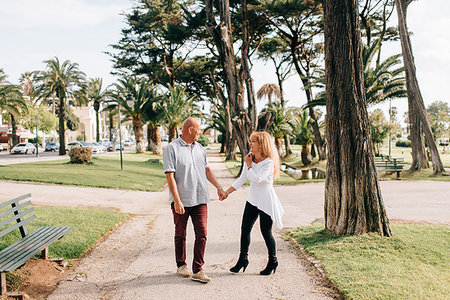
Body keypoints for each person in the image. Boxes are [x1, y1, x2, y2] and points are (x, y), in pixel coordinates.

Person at [163, 117, 226, 283]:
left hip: (200, 198)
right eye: (198, 129)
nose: (200, 132)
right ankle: (181, 265)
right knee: (180, 234)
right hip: (181, 200)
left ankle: (198, 269)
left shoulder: (200, 148)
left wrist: (219, 187)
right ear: (190, 129)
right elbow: (170, 176)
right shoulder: (172, 148)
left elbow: (207, 170)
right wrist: (176, 200)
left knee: (202, 233)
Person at [223, 131, 284, 275]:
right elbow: (242, 178)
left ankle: (273, 261)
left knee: (266, 231)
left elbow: (256, 179)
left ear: (261, 145)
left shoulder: (268, 162)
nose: (250, 144)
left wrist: (249, 165)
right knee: (245, 229)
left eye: (253, 141)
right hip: (252, 199)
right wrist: (227, 192)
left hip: (266, 200)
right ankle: (243, 259)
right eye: (251, 141)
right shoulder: (250, 158)